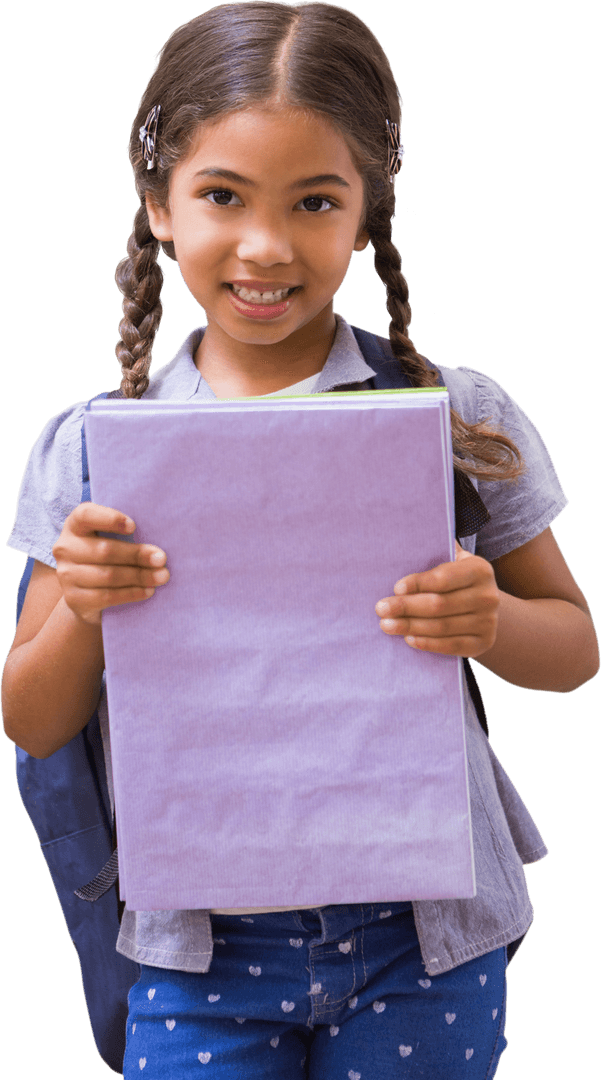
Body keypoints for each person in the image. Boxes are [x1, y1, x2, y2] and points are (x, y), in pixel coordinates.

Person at [2, 3, 598, 1077]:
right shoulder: (93, 448)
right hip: (200, 951)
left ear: (367, 210)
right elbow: (31, 718)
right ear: (159, 203)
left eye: (315, 201)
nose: (265, 246)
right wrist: (87, 607)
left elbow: (572, 648)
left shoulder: (456, 416)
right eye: (222, 195)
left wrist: (489, 620)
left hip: (425, 941)